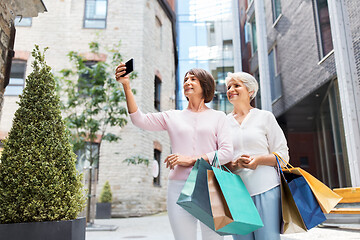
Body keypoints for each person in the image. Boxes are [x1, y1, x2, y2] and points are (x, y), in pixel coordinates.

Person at [115, 64, 233, 240]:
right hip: (178, 187)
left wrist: (191, 160)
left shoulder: (219, 117)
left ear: (205, 85)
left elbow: (227, 153)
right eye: (185, 79)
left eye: (193, 79)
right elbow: (139, 120)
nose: (187, 82)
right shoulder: (172, 116)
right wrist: (126, 85)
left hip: (210, 185)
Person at [224, 72, 289, 240]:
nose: (231, 89)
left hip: (266, 189)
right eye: (228, 87)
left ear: (250, 91)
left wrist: (258, 160)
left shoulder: (264, 117)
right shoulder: (223, 123)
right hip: (236, 193)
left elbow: (283, 157)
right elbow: (219, 162)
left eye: (236, 85)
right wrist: (234, 164)